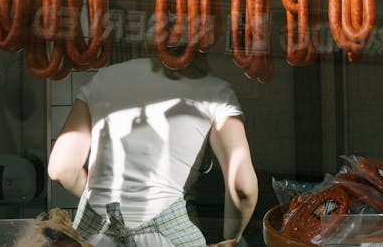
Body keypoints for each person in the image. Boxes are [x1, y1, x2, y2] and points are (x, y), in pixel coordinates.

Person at [47, 55, 258, 247]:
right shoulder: (215, 91)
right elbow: (243, 188)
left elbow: (61, 169)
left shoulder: (104, 78)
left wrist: (105, 200)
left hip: (94, 239)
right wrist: (232, 237)